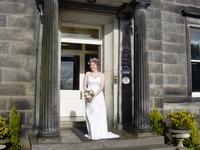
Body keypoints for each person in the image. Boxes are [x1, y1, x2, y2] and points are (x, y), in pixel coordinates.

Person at [83, 58, 119, 140]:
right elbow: (84, 85)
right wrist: (88, 94)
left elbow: (102, 86)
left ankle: (100, 133)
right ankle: (92, 133)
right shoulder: (87, 73)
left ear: (97, 65)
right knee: (90, 114)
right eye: (90, 65)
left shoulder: (102, 75)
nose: (91, 66)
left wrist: (94, 94)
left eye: (93, 65)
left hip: (98, 97)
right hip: (89, 96)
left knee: (99, 114)